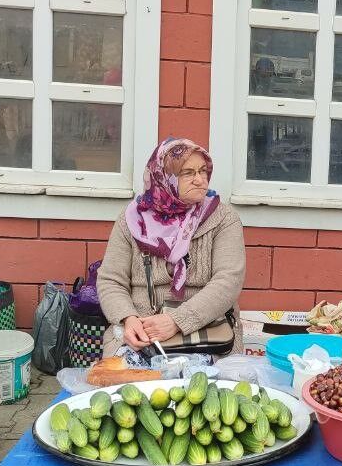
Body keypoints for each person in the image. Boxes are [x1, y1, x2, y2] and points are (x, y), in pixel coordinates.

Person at [97, 137, 246, 357]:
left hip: (207, 331)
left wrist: (177, 321)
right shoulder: (132, 219)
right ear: (164, 177)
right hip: (142, 330)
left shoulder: (223, 218)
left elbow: (228, 281)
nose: (199, 180)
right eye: (188, 173)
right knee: (124, 383)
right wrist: (128, 319)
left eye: (203, 171)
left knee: (209, 387)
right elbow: (111, 280)